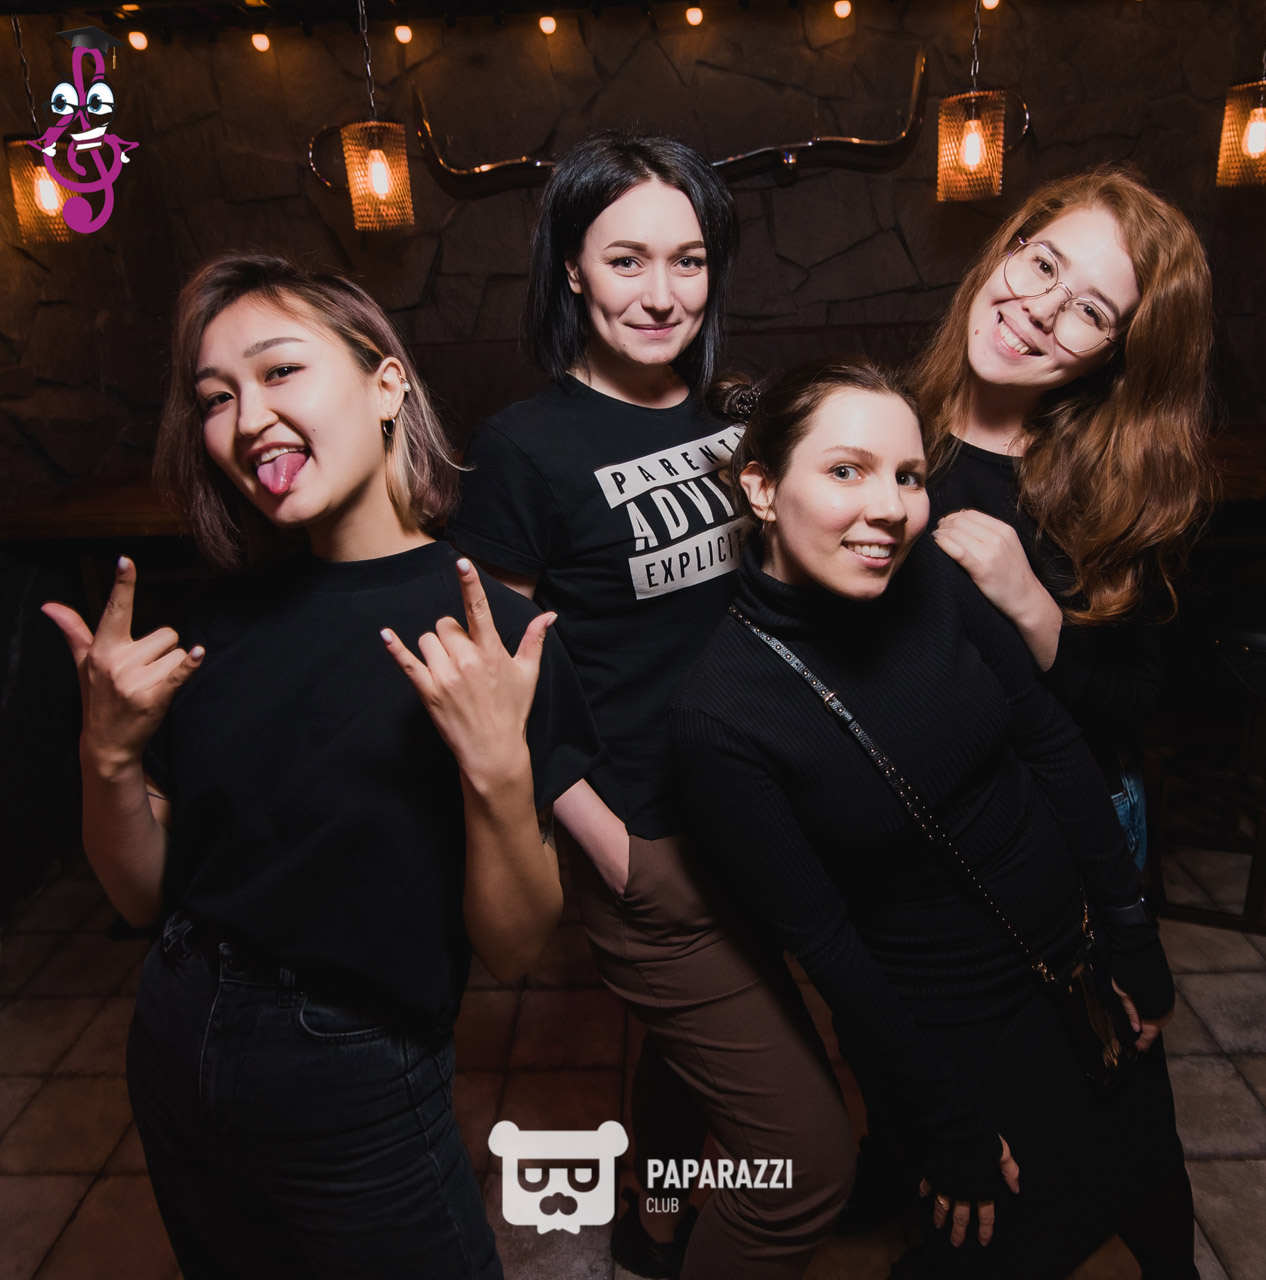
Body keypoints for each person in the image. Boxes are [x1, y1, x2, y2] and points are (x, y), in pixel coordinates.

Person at [42, 253, 600, 1280]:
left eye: (279, 371)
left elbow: (516, 946)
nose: (248, 419)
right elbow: (139, 893)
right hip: (174, 1034)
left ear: (386, 386)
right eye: (216, 397)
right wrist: (107, 754)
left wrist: (495, 769)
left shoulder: (494, 635)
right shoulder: (212, 627)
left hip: (351, 1074)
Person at [670, 359, 1197, 1279]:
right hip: (963, 1033)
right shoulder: (720, 716)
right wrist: (940, 1117)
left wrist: (1129, 932)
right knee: (1011, 1246)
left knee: (1156, 1199)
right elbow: (827, 945)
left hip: (1083, 962)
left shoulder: (938, 583)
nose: (889, 508)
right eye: (847, 470)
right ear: (761, 488)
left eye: (909, 476)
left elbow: (1049, 742)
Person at [449, 133, 854, 1280]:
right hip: (649, 838)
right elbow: (500, 666)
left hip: (762, 817)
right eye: (625, 260)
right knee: (806, 1157)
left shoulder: (738, 413)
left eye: (688, 259)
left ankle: (653, 1223)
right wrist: (605, 842)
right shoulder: (523, 447)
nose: (661, 292)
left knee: (691, 1056)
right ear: (572, 271)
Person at [914, 167, 1213, 871]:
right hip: (922, 829)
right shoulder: (891, 426)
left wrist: (1031, 606)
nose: (1041, 309)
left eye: (1092, 313)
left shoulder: (1109, 493)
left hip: (1058, 831)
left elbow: (1137, 704)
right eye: (1044, 265)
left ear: (1116, 359)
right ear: (1009, 249)